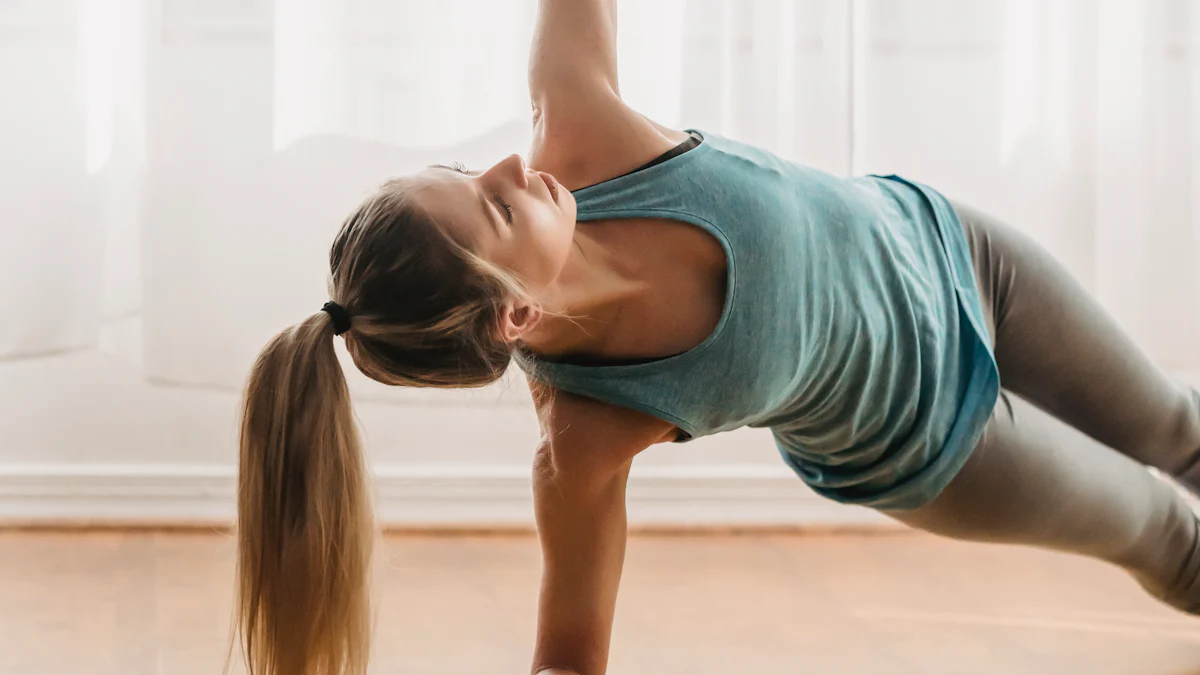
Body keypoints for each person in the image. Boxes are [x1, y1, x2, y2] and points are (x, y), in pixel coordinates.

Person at [230, 2, 1200, 675]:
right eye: (491, 203)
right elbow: (570, 652)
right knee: (1165, 536)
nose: (511, 163)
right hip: (935, 445)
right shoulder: (588, 434)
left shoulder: (585, 129)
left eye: (463, 165)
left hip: (956, 252)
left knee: (1177, 427)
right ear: (512, 315)